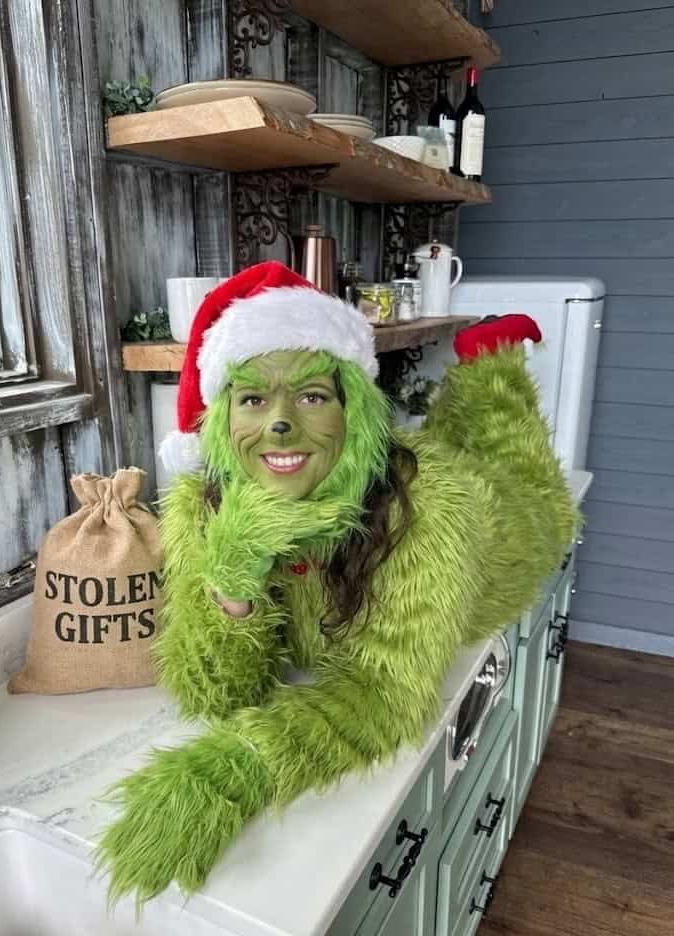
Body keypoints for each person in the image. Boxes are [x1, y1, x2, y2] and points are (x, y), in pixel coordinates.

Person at [97, 261, 577, 903]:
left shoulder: (428, 508)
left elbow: (388, 692)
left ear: (352, 410)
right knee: (447, 435)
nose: (280, 423)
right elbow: (215, 692)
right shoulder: (198, 509)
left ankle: (489, 355)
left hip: (506, 523)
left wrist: (236, 772)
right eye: (253, 398)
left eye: (313, 395)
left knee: (511, 452)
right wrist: (233, 576)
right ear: (221, 419)